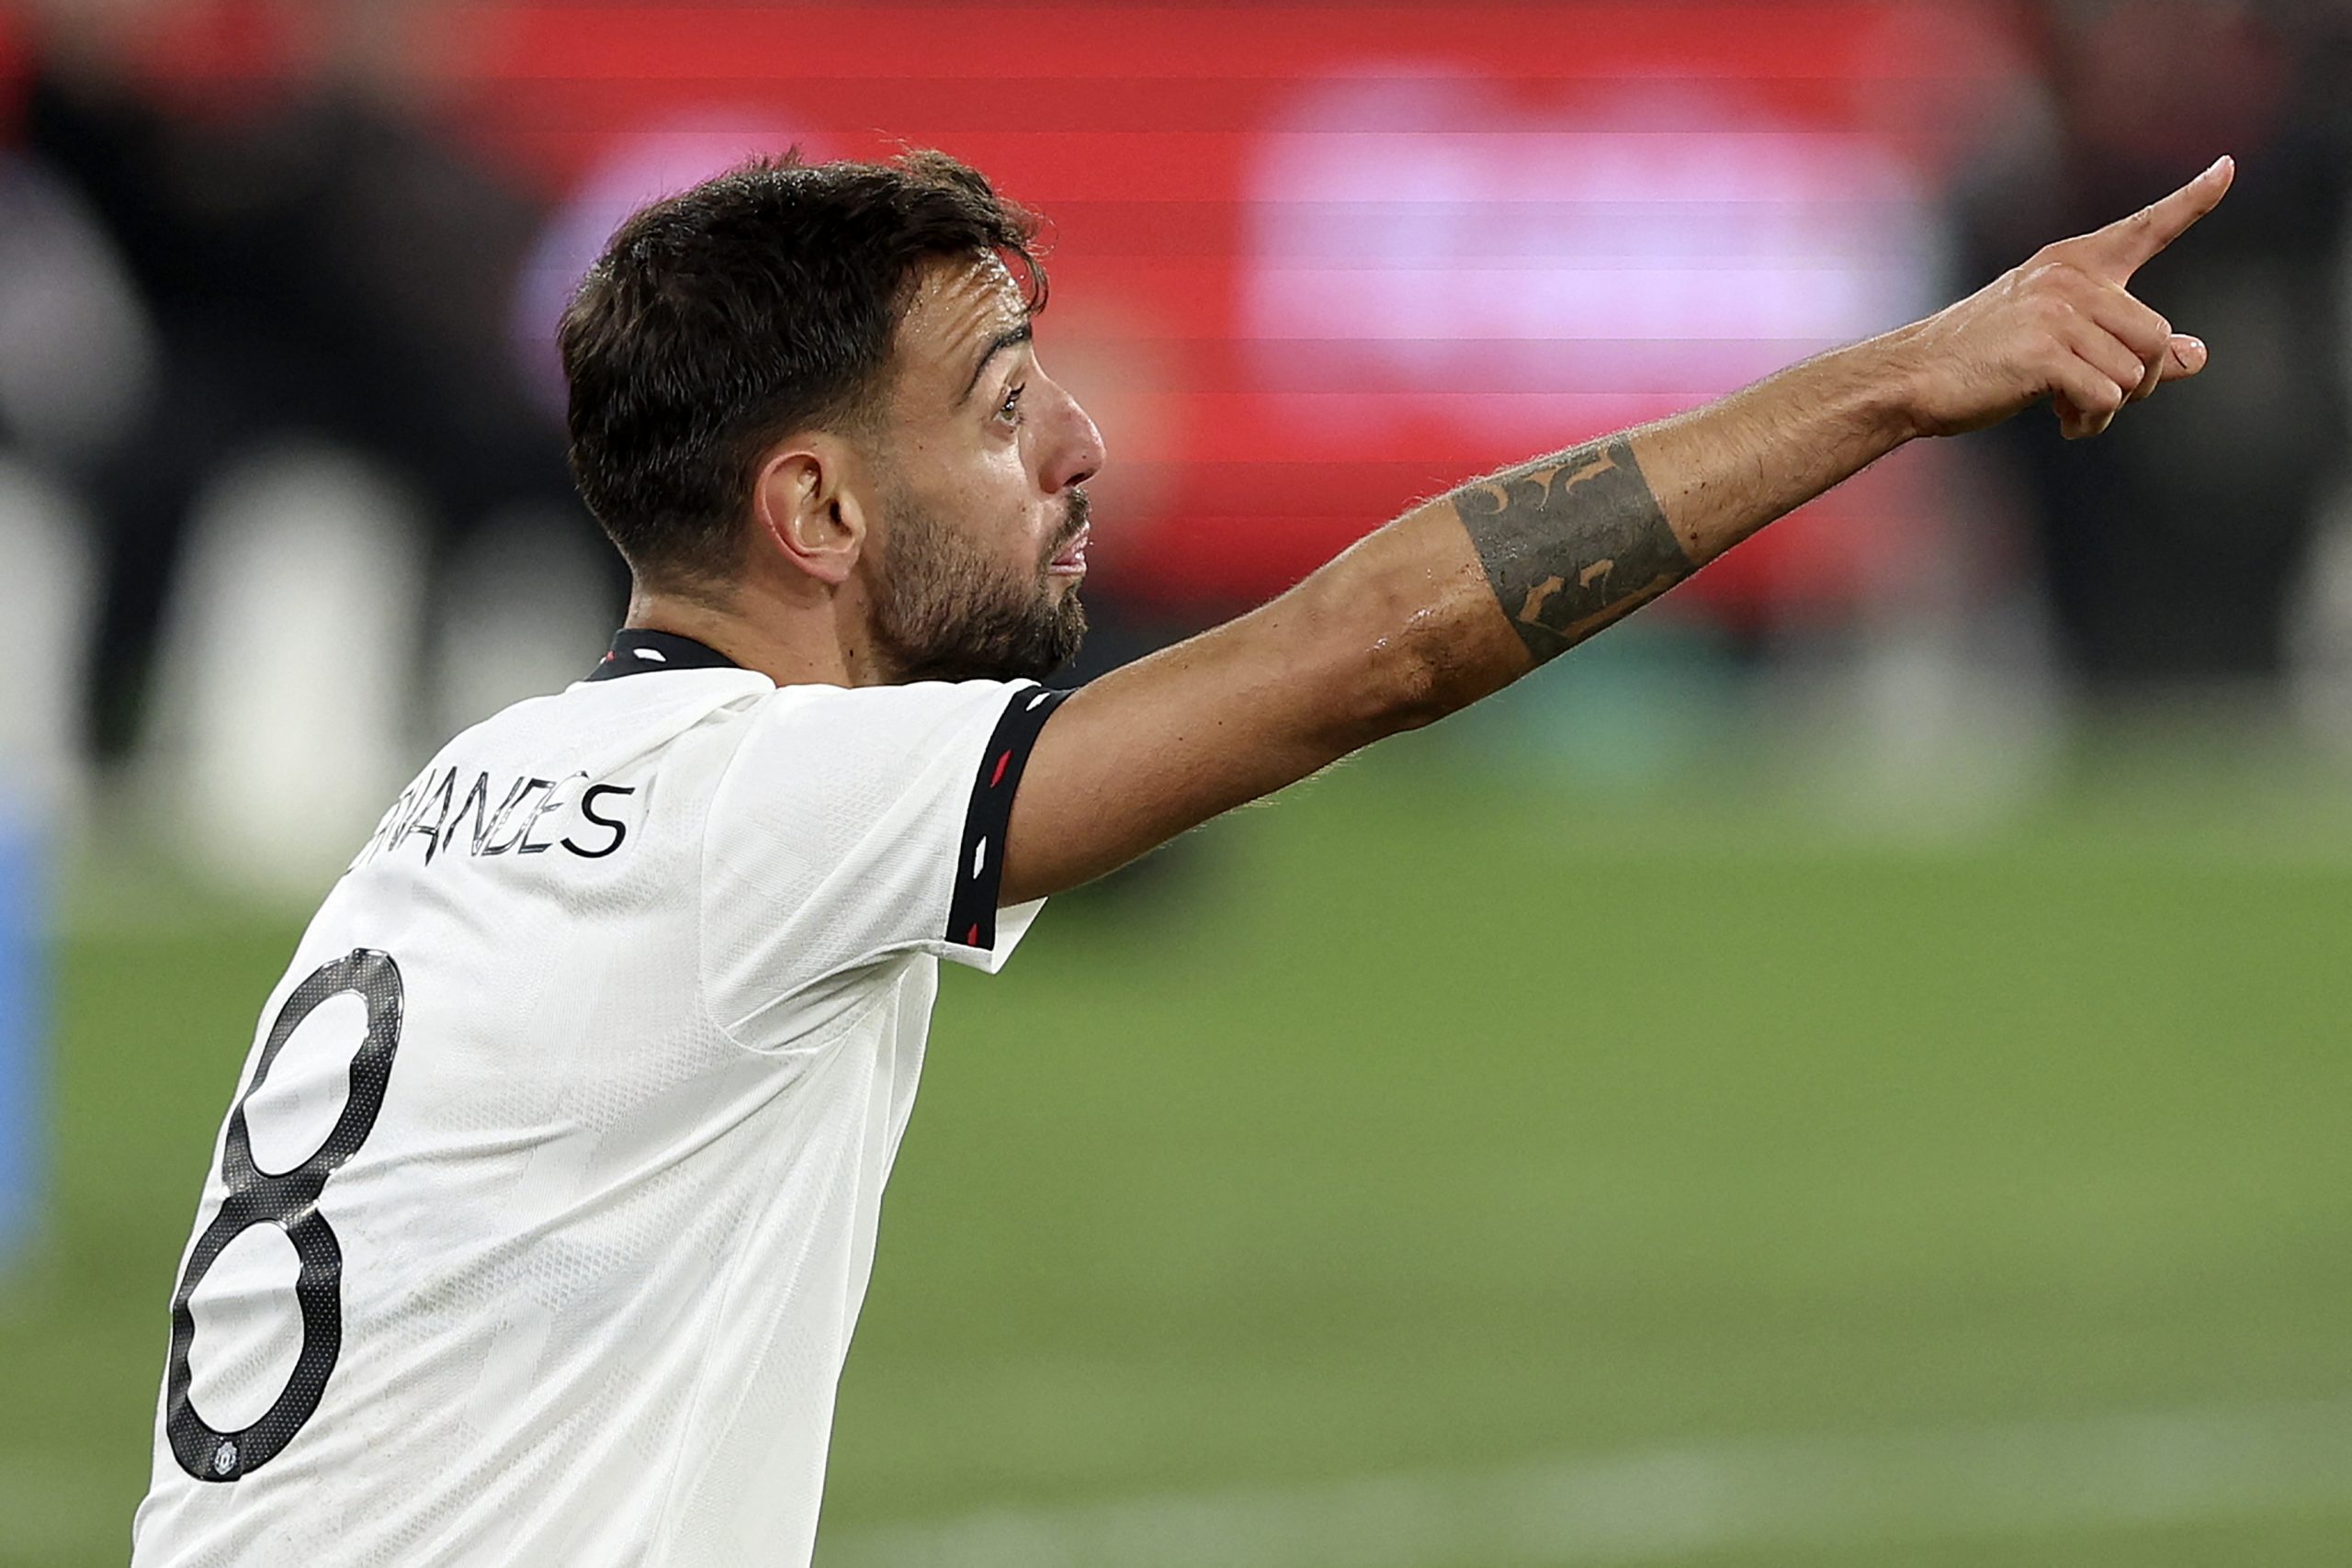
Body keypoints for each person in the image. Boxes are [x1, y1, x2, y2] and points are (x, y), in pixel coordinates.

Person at [130, 147, 2233, 1567]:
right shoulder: (745, 808)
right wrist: (1896, 381)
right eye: (997, 404)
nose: (1079, 451)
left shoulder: (484, 794)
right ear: (818, 513)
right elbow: (1368, 649)